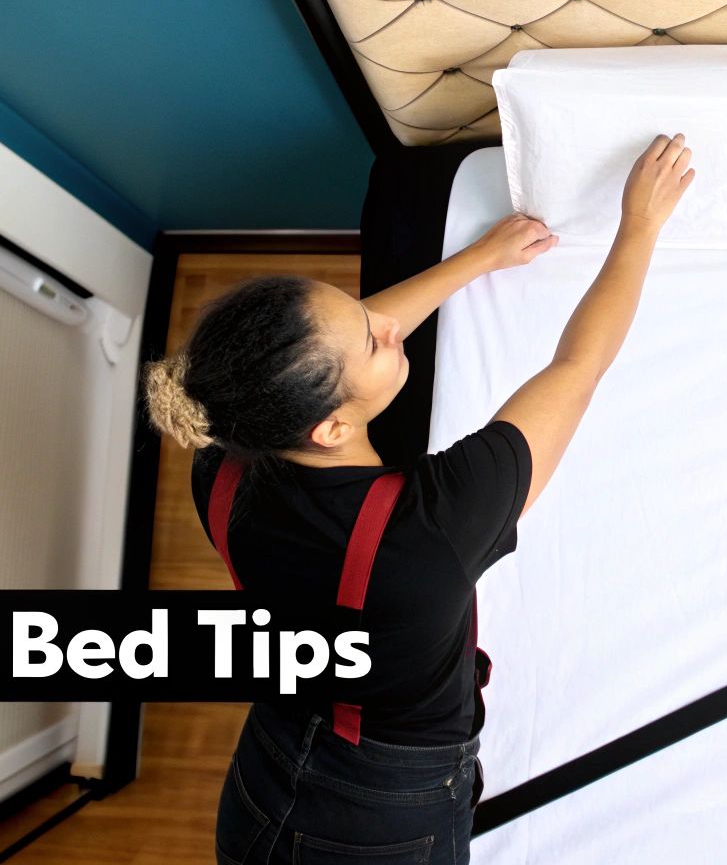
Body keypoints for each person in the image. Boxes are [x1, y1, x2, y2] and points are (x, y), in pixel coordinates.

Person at [143, 134, 695, 864]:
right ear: (332, 426)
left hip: (275, 773)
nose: (385, 323)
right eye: (374, 341)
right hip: (379, 820)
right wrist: (639, 227)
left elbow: (333, 351)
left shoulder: (223, 453)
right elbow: (578, 367)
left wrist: (476, 261)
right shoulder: (426, 532)